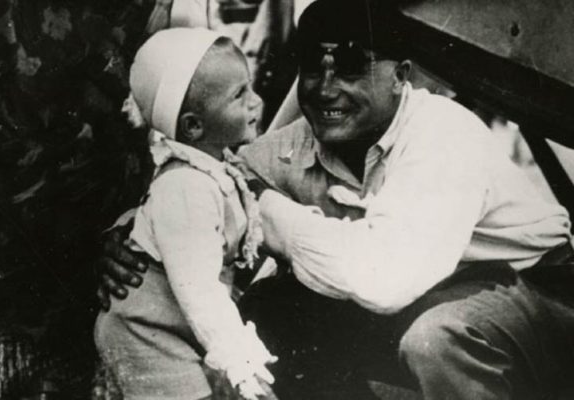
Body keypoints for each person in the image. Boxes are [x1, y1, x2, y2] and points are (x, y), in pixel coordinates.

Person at [98, 1, 574, 399]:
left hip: (530, 293)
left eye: (350, 67)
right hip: (426, 298)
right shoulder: (294, 144)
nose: (326, 89)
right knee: (274, 308)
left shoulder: (443, 134)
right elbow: (204, 185)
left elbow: (386, 280)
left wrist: (266, 208)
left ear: (400, 76)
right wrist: (133, 235)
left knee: (438, 338)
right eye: (313, 66)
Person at [94, 28, 278, 400]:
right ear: (194, 126)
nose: (256, 102)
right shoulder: (185, 188)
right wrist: (239, 358)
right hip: (146, 328)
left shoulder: (214, 167)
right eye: (239, 95)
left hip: (177, 320)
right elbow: (198, 289)